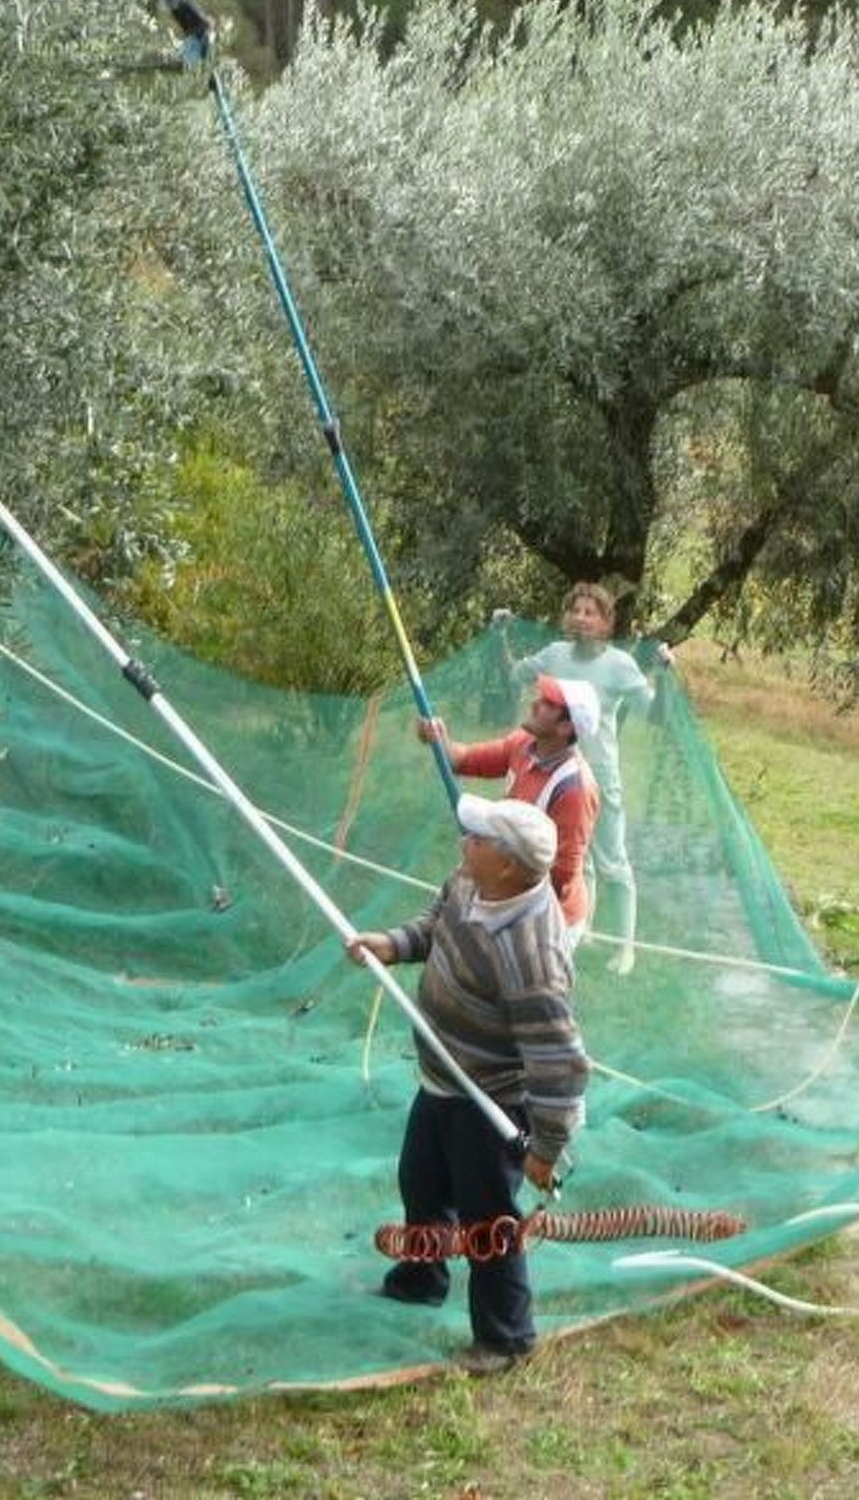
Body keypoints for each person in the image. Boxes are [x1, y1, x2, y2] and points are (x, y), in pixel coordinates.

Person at [348, 794, 589, 1374]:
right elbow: (437, 926)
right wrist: (394, 944)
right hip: (442, 1076)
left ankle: (506, 1339)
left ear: (507, 863)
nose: (465, 843)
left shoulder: (532, 954)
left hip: (491, 1100)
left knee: (489, 1220)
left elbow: (558, 1062)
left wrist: (545, 1148)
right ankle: (421, 1278)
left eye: (478, 839)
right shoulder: (469, 881)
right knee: (421, 1182)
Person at [509, 583, 672, 973]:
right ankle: (586, 930)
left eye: (590, 612)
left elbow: (657, 716)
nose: (581, 618)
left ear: (605, 622)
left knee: (612, 860)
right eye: (575, 610)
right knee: (576, 859)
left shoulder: (619, 665)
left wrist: (665, 674)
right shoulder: (554, 654)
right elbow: (517, 673)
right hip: (559, 775)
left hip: (599, 778)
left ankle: (627, 948)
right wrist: (502, 634)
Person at [416, 675, 602, 940]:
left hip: (547, 921)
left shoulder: (575, 790)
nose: (535, 703)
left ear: (565, 727)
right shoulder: (524, 743)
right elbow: (463, 760)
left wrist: (497, 893)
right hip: (505, 885)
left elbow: (560, 877)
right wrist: (439, 739)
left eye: (548, 704)